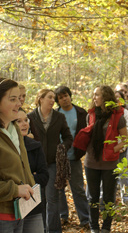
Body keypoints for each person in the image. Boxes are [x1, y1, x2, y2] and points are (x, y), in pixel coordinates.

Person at [73, 85, 128, 233]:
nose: (94, 98)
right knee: (92, 198)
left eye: (97, 95)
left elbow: (125, 140)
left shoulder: (118, 116)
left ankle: (106, 227)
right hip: (91, 162)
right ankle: (94, 227)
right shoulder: (90, 115)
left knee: (109, 198)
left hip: (110, 163)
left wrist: (113, 149)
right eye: (94, 95)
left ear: (105, 97)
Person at [28, 89, 73, 233]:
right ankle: (41, 229)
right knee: (39, 201)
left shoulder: (59, 117)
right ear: (40, 99)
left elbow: (68, 137)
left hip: (53, 163)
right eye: (49, 97)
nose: (53, 100)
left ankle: (53, 230)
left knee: (52, 199)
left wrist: (61, 147)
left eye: (54, 98)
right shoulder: (30, 117)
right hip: (35, 165)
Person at [0, 78, 35, 233]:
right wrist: (15, 190)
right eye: (12, 99)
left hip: (19, 212)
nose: (19, 104)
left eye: (19, 98)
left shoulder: (15, 128)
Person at [54, 86, 90, 228]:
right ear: (58, 101)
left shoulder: (81, 112)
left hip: (74, 156)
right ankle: (63, 216)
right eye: (61, 97)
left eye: (66, 95)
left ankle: (85, 219)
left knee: (78, 189)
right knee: (59, 189)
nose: (64, 99)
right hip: (58, 157)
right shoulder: (55, 114)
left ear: (70, 95)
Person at [16, 108, 49, 233]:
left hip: (32, 206)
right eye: (19, 121)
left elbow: (44, 176)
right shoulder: (4, 148)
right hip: (9, 210)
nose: (24, 124)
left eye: (26, 120)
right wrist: (31, 177)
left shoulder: (35, 145)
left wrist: (23, 182)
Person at [115, 90, 128, 206]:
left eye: (119, 98)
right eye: (114, 97)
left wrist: (121, 145)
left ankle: (126, 198)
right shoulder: (108, 113)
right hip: (110, 150)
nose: (117, 100)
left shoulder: (125, 113)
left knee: (123, 174)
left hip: (122, 149)